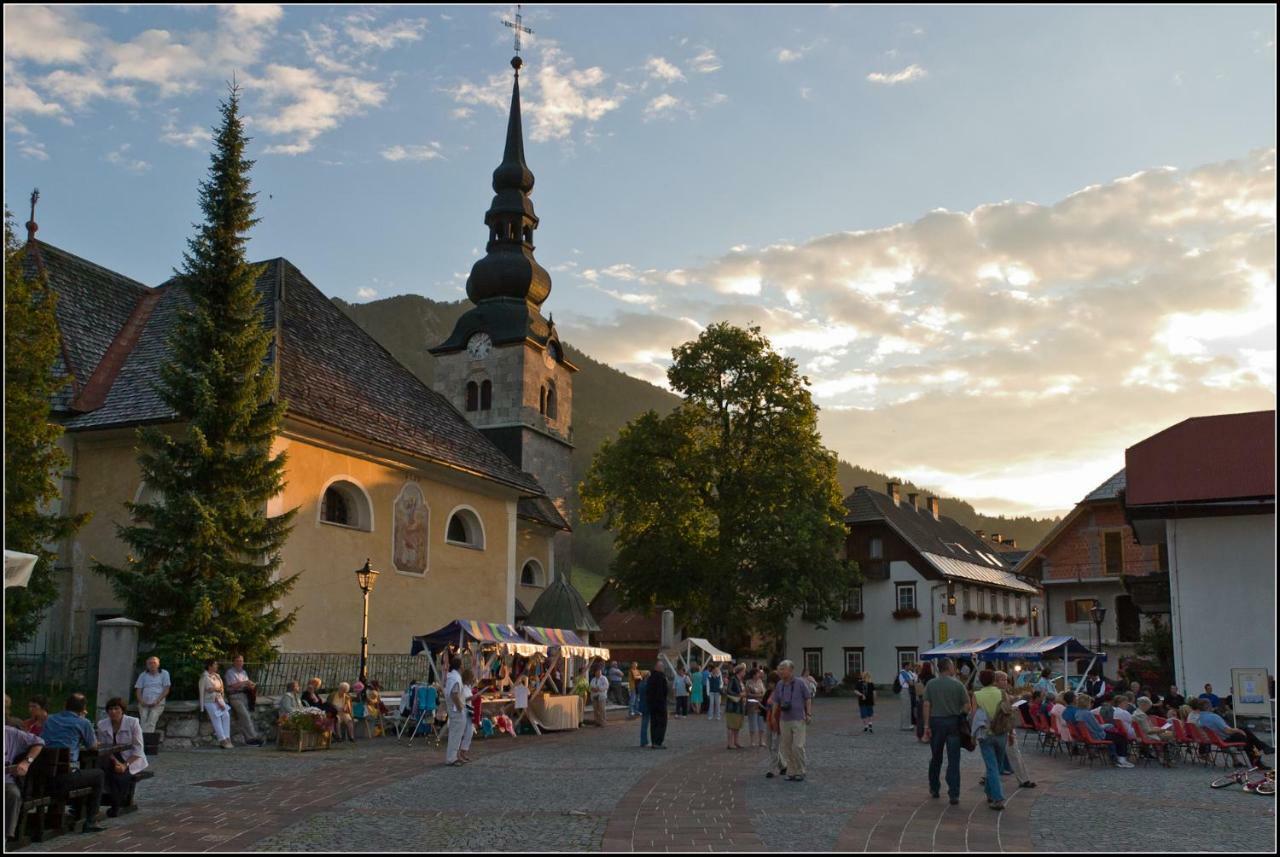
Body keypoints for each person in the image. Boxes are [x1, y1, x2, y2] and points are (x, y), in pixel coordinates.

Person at [39, 693, 106, 833]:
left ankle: (73, 810)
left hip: (43, 775)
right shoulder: (83, 722)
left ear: (65, 705)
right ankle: (90, 819)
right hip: (66, 777)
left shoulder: (49, 719)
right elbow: (92, 746)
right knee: (98, 775)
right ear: (83, 709)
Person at [922, 657, 970, 805]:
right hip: (953, 723)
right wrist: (961, 714)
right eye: (953, 666)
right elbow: (967, 705)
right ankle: (954, 793)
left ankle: (934, 787)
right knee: (954, 759)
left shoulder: (931, 684)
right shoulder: (958, 685)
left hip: (936, 722)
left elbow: (926, 705)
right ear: (948, 667)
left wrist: (926, 726)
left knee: (936, 756)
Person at [95, 697, 147, 817]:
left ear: (122, 710)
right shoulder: (102, 724)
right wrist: (115, 761)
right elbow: (103, 748)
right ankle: (99, 803)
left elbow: (138, 749)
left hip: (131, 758)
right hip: (111, 756)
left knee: (119, 775)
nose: (113, 712)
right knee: (102, 770)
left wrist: (125, 765)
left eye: (116, 709)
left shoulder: (133, 722)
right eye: (110, 709)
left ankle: (116, 804)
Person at [1196, 698, 1273, 767]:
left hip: (1218, 739)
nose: (1211, 706)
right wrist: (1238, 730)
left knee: (1246, 734)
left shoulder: (1200, 718)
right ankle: (1259, 756)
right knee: (1246, 734)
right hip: (1226, 738)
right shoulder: (1213, 717)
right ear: (1206, 706)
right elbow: (1227, 731)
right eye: (1210, 705)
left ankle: (1262, 749)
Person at [772, 659, 812, 782]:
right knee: (787, 747)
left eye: (783, 669)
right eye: (779, 669)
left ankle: (801, 770)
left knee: (798, 746)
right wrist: (774, 716)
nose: (780, 672)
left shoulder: (800, 683)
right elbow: (776, 701)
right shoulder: (779, 684)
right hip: (784, 720)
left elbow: (808, 698)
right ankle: (791, 771)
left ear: (790, 670)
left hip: (798, 718)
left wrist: (809, 713)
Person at [995, 672, 1036, 789]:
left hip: (1000, 728)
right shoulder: (1000, 693)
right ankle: (1024, 779)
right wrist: (1013, 708)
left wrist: (1018, 698)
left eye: (1006, 680)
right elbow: (1005, 710)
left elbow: (1010, 700)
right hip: (1005, 727)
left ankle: (988, 777)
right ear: (996, 681)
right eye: (1003, 680)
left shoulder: (1004, 692)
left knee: (998, 754)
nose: (1006, 682)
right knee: (1014, 753)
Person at [5, 724, 45, 838]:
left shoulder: (10, 733)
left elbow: (38, 742)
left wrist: (27, 761)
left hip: (6, 780)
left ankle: (6, 836)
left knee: (12, 793)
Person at [1075, 693, 1134, 767]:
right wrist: (1107, 725)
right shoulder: (1088, 714)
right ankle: (1122, 760)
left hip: (1089, 735)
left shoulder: (1078, 713)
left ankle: (1117, 758)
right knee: (1121, 738)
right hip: (1097, 735)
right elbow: (1098, 728)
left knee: (1115, 736)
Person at [223, 655, 264, 746]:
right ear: (234, 662)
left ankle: (250, 737)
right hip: (234, 696)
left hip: (244, 695)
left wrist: (251, 685)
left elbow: (245, 685)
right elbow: (233, 686)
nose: (240, 663)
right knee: (245, 715)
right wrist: (245, 682)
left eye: (241, 661)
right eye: (237, 661)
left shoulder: (244, 672)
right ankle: (251, 738)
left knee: (247, 716)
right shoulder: (230, 672)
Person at [198, 658, 233, 749]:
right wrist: (202, 708)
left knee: (226, 716)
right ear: (210, 666)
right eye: (215, 664)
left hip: (219, 700)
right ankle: (222, 740)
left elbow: (221, 688)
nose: (217, 666)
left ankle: (227, 737)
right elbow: (203, 691)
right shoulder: (204, 677)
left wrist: (218, 692)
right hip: (210, 701)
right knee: (216, 718)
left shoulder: (217, 676)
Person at [133, 656, 171, 735]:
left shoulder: (164, 673)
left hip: (158, 702)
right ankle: (144, 740)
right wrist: (141, 701)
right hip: (144, 702)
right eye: (150, 663)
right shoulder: (143, 675)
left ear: (158, 664)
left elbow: (166, 689)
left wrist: (157, 701)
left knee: (151, 719)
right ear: (147, 665)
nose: (152, 665)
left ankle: (145, 740)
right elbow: (138, 690)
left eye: (154, 663)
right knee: (143, 720)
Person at [763, 671, 786, 778]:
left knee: (775, 746)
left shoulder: (780, 692)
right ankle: (783, 766)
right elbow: (767, 704)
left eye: (771, 683)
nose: (769, 685)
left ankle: (771, 769)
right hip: (769, 719)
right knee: (769, 744)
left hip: (777, 720)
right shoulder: (770, 692)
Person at [445, 657, 467, 766]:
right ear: (460, 666)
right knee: (456, 734)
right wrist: (460, 707)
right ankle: (451, 758)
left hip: (454, 709)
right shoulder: (456, 678)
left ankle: (452, 756)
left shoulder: (451, 677)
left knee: (455, 734)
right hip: (456, 710)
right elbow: (454, 694)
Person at [646, 661, 670, 749]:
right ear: (658, 667)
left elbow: (648, 691)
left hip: (652, 704)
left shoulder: (651, 677)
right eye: (662, 666)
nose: (663, 668)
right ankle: (658, 742)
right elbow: (662, 691)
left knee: (654, 723)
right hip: (660, 704)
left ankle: (654, 742)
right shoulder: (660, 677)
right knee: (661, 723)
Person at [724, 663, 746, 749]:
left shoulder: (740, 681)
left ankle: (736, 741)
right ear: (739, 672)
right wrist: (739, 694)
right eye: (743, 671)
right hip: (732, 706)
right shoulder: (733, 679)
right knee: (731, 725)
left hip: (739, 706)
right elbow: (729, 691)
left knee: (737, 725)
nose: (745, 673)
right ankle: (730, 743)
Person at [745, 668, 766, 748]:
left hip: (760, 705)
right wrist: (757, 695)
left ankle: (761, 740)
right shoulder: (748, 682)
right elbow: (748, 694)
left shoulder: (760, 682)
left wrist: (759, 695)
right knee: (752, 723)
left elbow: (763, 692)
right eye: (758, 673)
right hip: (752, 705)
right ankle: (752, 741)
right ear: (754, 674)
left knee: (761, 723)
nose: (759, 675)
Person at [459, 669, 477, 762]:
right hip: (464, 711)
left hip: (469, 711)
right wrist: (472, 697)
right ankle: (460, 753)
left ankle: (463, 751)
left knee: (469, 732)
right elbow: (463, 699)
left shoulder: (468, 687)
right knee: (463, 732)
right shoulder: (462, 687)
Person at [915, 662, 934, 741]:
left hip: (920, 698)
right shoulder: (932, 677)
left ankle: (920, 733)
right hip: (929, 699)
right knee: (928, 717)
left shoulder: (920, 676)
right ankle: (928, 734)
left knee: (920, 718)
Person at [897, 662, 917, 730]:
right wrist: (914, 682)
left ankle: (908, 724)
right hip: (905, 690)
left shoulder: (908, 673)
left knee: (908, 707)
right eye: (910, 666)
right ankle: (905, 725)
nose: (911, 667)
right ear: (906, 666)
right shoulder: (903, 673)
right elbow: (911, 683)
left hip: (908, 690)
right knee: (906, 708)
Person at [637, 671, 652, 747]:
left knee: (644, 724)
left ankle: (643, 741)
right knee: (645, 724)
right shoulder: (646, 685)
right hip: (647, 705)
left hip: (642, 705)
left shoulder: (640, 684)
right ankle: (644, 741)